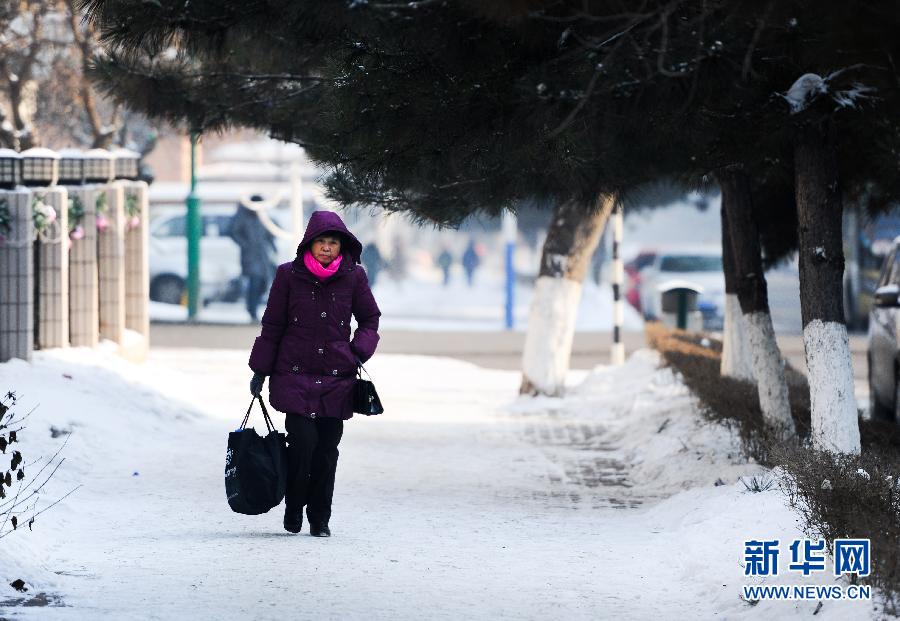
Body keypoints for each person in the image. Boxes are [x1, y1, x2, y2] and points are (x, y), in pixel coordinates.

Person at [248, 211, 381, 537]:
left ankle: (320, 518)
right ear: (309, 243)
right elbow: (273, 326)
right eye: (321, 241)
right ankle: (294, 507)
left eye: (332, 242)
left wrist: (357, 351)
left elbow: (369, 320)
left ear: (341, 246)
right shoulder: (288, 276)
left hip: (337, 377)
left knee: (327, 451)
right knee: (303, 444)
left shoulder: (354, 277)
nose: (326, 248)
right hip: (293, 375)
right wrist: (260, 370)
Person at [228, 197, 277, 321]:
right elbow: (234, 232)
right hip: (250, 256)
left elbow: (270, 234)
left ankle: (251, 306)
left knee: (264, 283)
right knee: (255, 282)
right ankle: (252, 310)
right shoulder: (243, 217)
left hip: (263, 256)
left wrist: (273, 248)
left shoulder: (263, 217)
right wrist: (245, 245)